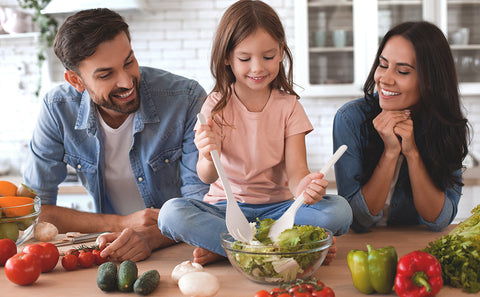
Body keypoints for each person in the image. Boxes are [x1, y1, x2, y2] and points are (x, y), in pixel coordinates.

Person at [159, 0, 352, 266]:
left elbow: (297, 175)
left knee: (338, 212)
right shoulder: (215, 105)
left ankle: (231, 247)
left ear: (281, 52)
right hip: (225, 210)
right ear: (227, 57)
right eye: (245, 58)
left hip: (280, 210)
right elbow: (206, 176)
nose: (258, 68)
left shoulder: (289, 107)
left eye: (268, 57)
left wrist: (307, 188)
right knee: (170, 214)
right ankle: (295, 247)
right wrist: (205, 152)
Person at [23, 8, 209, 261]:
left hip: (180, 251)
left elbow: (202, 205)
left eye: (129, 62)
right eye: (106, 74)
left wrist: (151, 237)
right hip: (105, 250)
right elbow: (33, 212)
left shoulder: (186, 98)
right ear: (76, 81)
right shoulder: (57, 109)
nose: (127, 81)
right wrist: (121, 224)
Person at [333, 21, 470, 233]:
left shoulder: (446, 124)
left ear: (430, 80)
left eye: (403, 71)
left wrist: (412, 153)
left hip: (415, 248)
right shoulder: (350, 119)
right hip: (362, 249)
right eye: (383, 65)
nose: (385, 79)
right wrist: (390, 152)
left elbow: (439, 220)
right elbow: (357, 220)